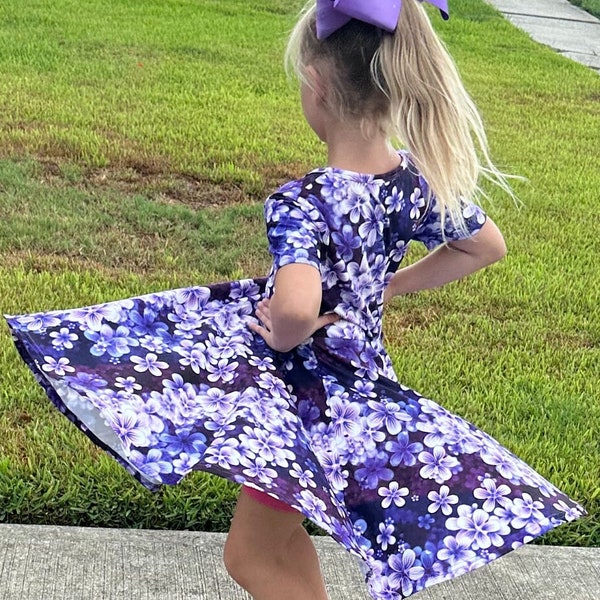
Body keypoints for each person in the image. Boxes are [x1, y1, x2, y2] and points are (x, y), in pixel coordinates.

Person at [5, 1, 585, 599]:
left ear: (317, 84)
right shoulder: (415, 181)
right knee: (280, 540)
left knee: (248, 558)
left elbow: (296, 309)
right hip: (357, 390)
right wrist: (386, 287)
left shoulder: (302, 201)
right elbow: (485, 247)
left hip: (305, 403)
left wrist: (281, 333)